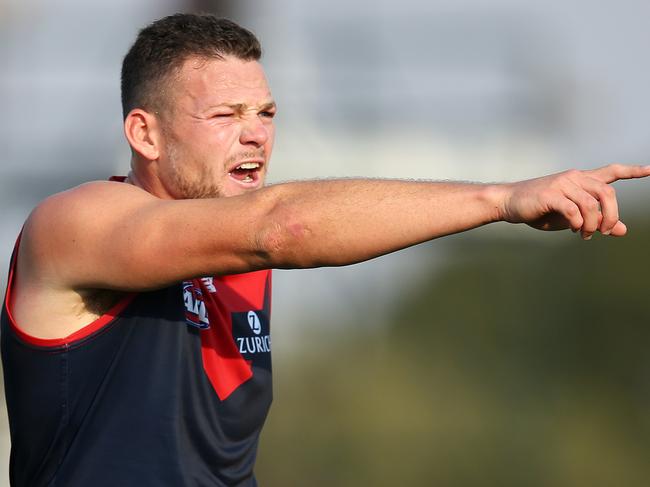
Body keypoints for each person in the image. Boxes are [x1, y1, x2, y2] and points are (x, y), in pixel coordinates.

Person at [1, 12, 648, 487]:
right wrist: (502, 198)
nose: (256, 136)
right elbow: (283, 226)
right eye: (226, 116)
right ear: (144, 132)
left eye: (267, 113)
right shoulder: (74, 225)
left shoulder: (238, 255)